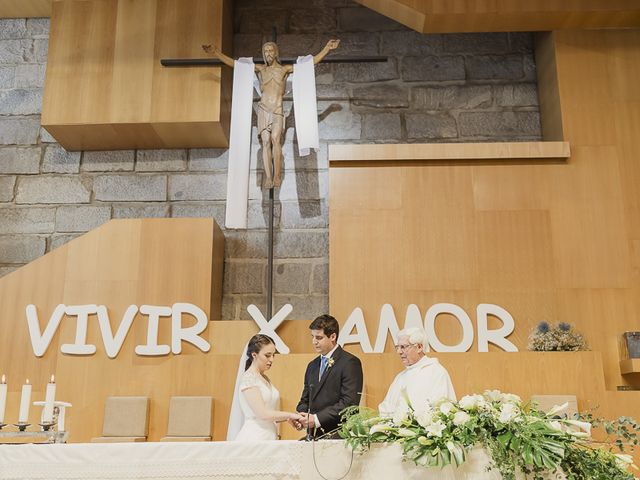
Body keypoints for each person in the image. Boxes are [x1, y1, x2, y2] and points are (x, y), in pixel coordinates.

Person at [202, 39, 340, 189]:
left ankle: (277, 175)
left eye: (270, 50)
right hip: (263, 109)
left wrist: (326, 49)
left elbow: (309, 64)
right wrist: (216, 53)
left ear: (276, 53)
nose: (268, 53)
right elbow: (237, 66)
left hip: (277, 110)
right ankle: (269, 178)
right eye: (265, 51)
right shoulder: (261, 69)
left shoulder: (285, 69)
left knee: (275, 139)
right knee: (266, 142)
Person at [293, 314, 363, 438]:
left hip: (339, 434)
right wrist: (301, 417)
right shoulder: (312, 365)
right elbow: (305, 400)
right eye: (313, 337)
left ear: (333, 336)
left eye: (319, 337)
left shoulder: (349, 362)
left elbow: (349, 403)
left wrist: (316, 419)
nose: (314, 342)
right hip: (314, 435)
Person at [231, 334, 303, 441]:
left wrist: (287, 419)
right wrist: (290, 415)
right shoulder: (249, 378)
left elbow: (270, 411)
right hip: (254, 437)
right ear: (254, 355)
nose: (272, 359)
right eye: (267, 355)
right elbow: (263, 414)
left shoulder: (264, 378)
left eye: (273, 355)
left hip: (269, 435)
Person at [379, 327, 456, 417]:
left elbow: (441, 409)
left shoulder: (437, 372)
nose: (399, 351)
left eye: (403, 347)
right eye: (398, 347)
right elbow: (386, 407)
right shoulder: (400, 377)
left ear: (419, 347)